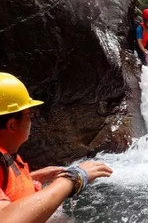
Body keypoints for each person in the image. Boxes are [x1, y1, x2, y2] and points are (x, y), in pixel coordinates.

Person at [0, 72, 113, 222]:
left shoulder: (8, 153)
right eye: (29, 114)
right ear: (12, 125)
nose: (32, 118)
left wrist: (34, 177)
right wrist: (73, 178)